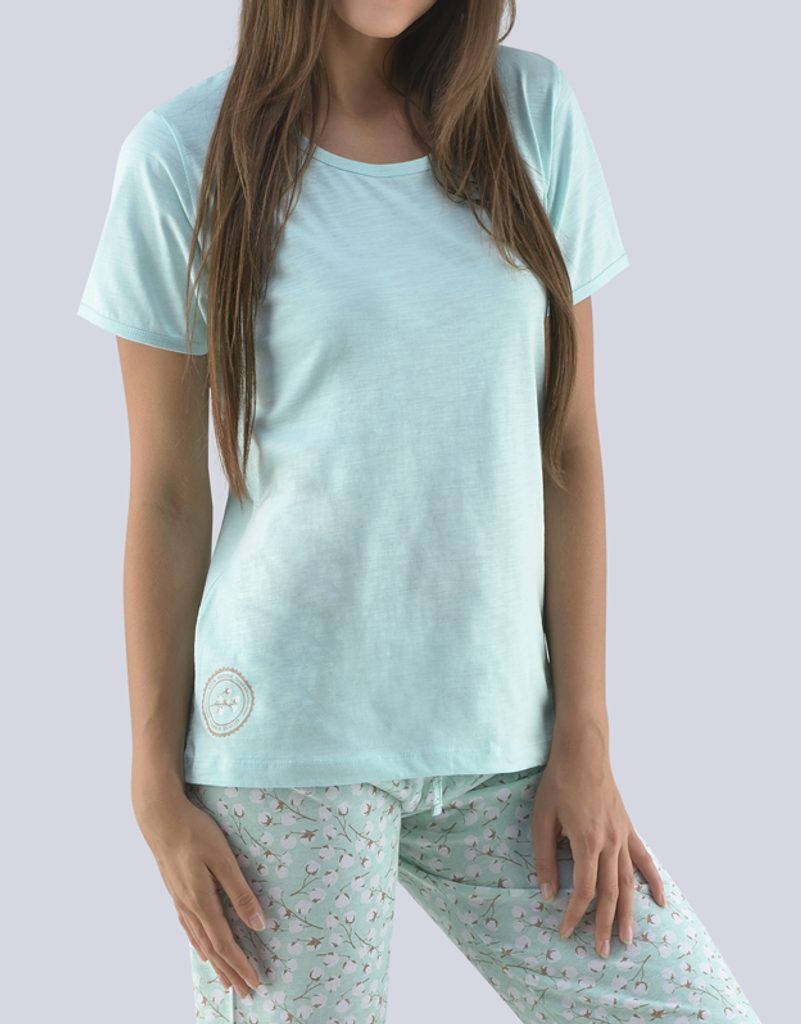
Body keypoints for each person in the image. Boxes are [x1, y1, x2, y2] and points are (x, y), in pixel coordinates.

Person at [76, 2, 763, 1022]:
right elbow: (169, 497)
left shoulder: (530, 114)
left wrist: (585, 731)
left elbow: (568, 445)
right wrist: (151, 785)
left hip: (508, 741)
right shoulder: (181, 156)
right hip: (290, 744)